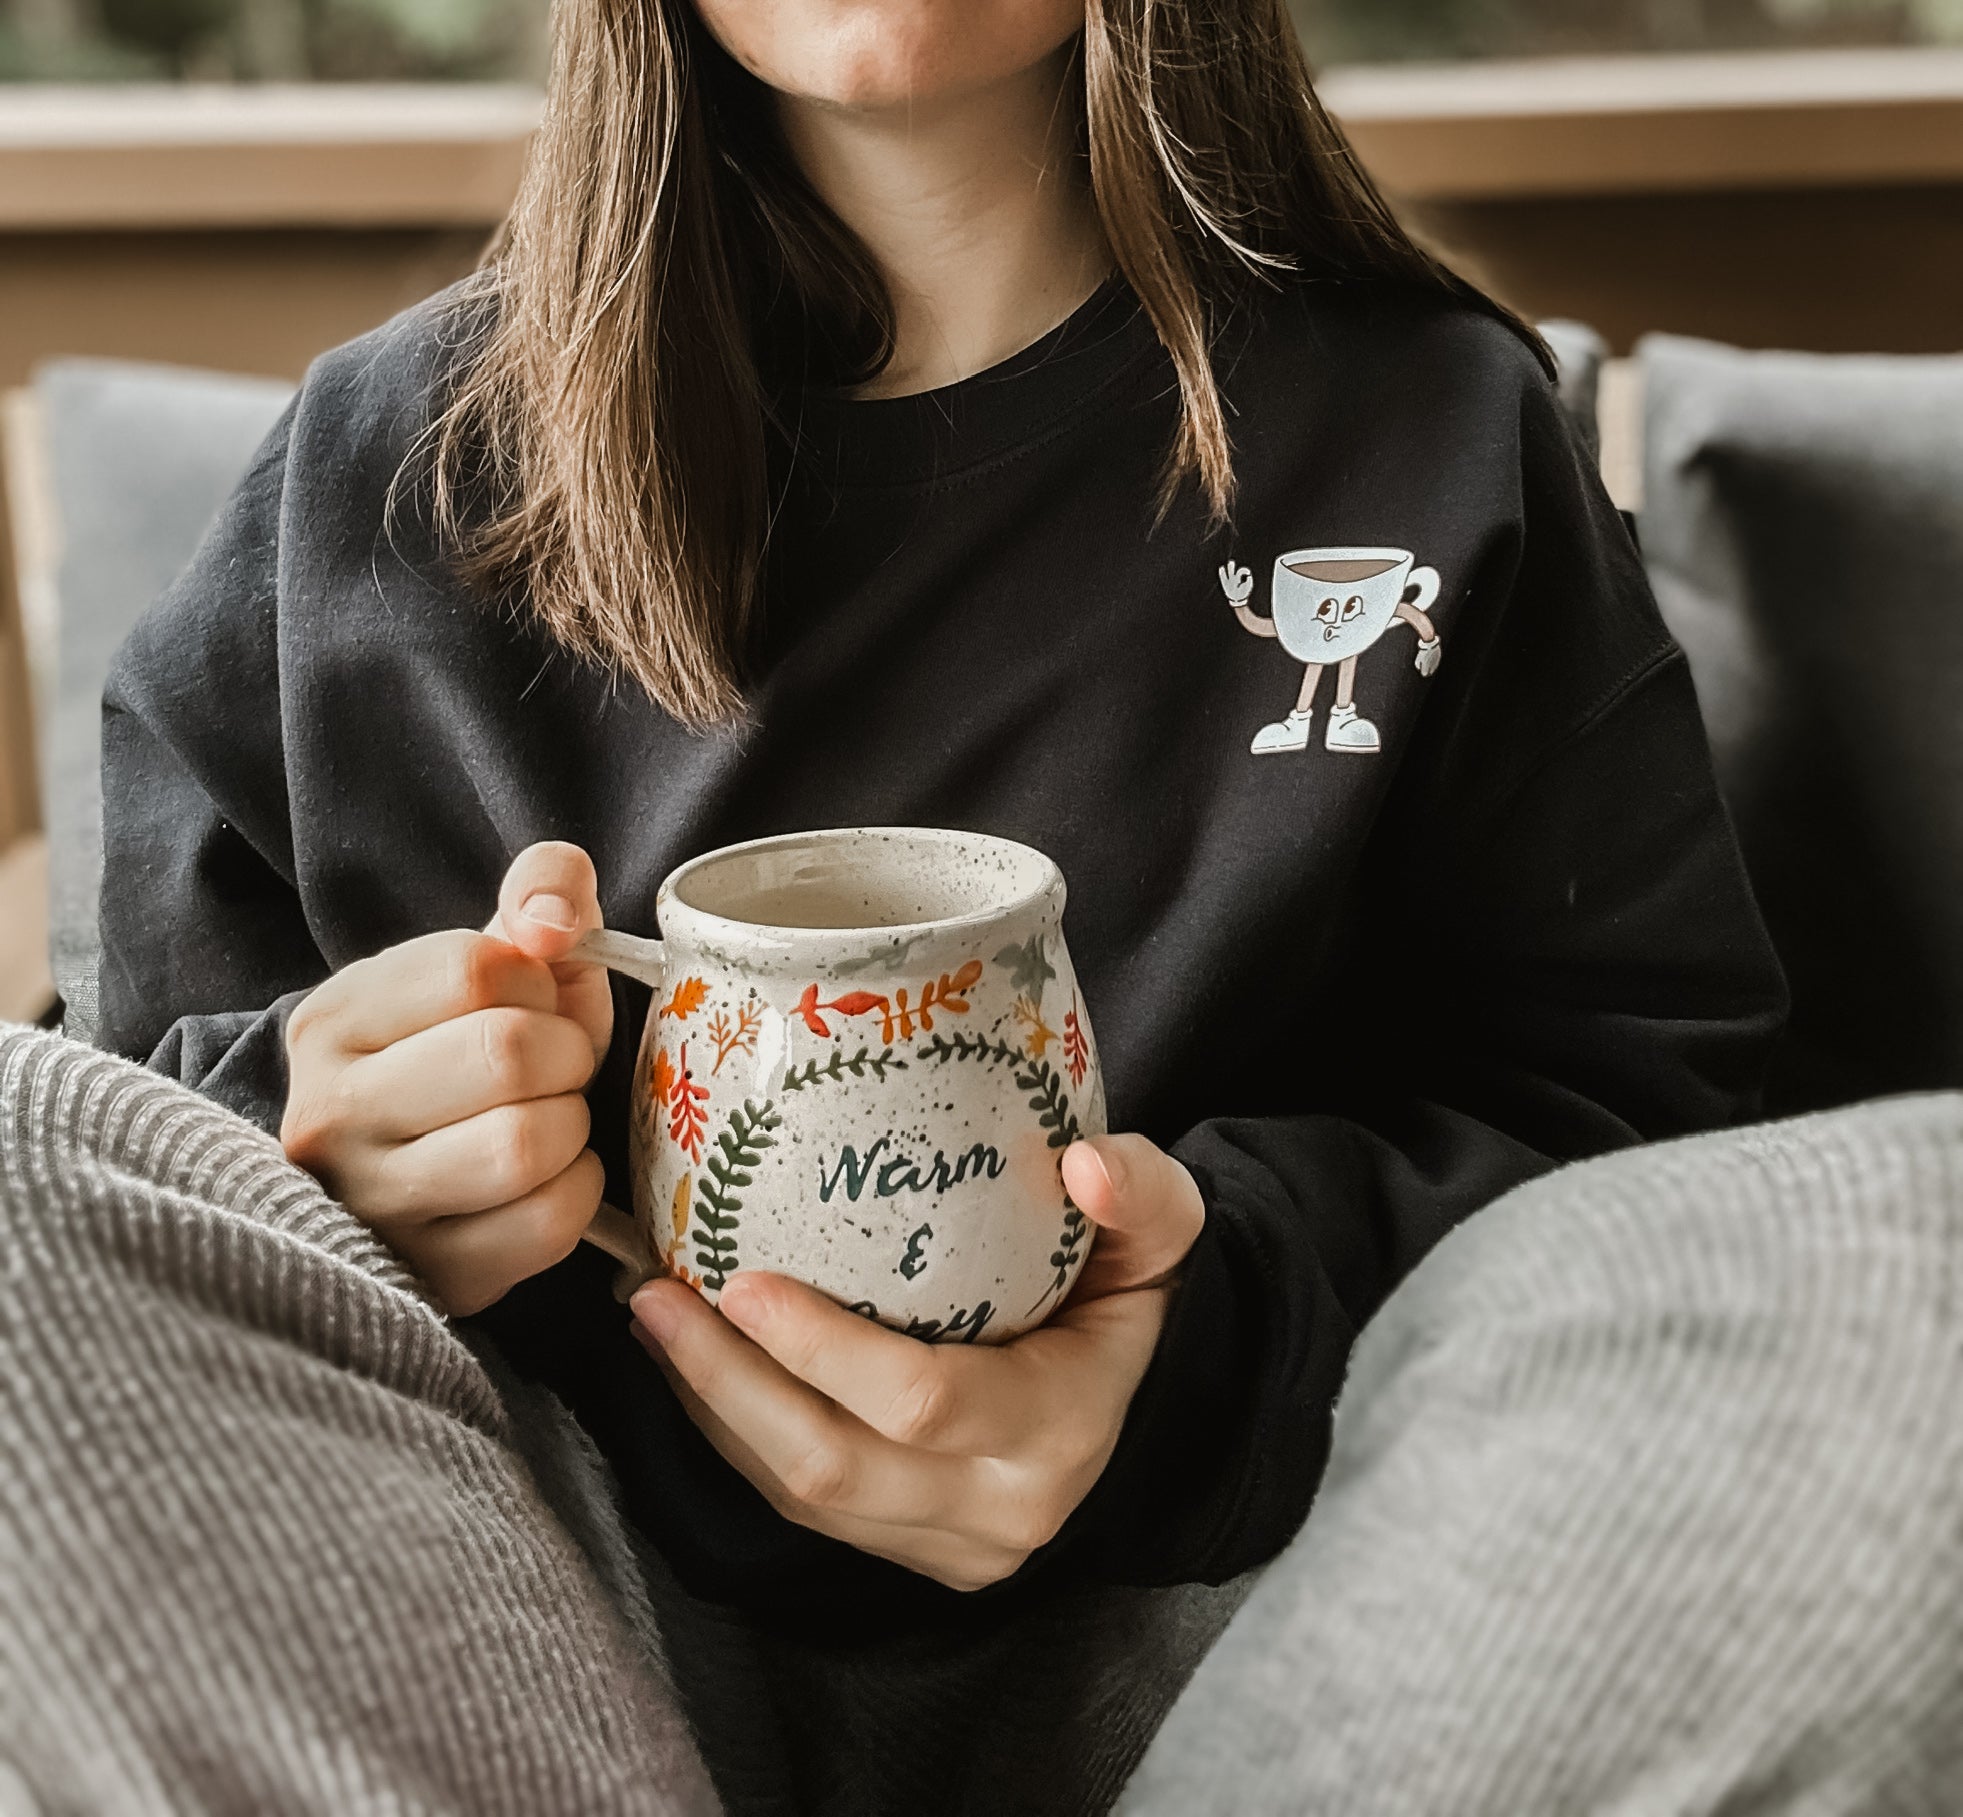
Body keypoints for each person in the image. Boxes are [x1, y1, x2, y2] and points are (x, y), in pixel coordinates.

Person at [94, 0, 1788, 1782]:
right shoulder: (377, 473)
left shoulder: (1437, 436)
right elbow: (116, 1140)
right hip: (518, 1641)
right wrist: (301, 1160)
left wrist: (1201, 1357)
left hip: (1263, 1652)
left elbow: (1659, 1153)